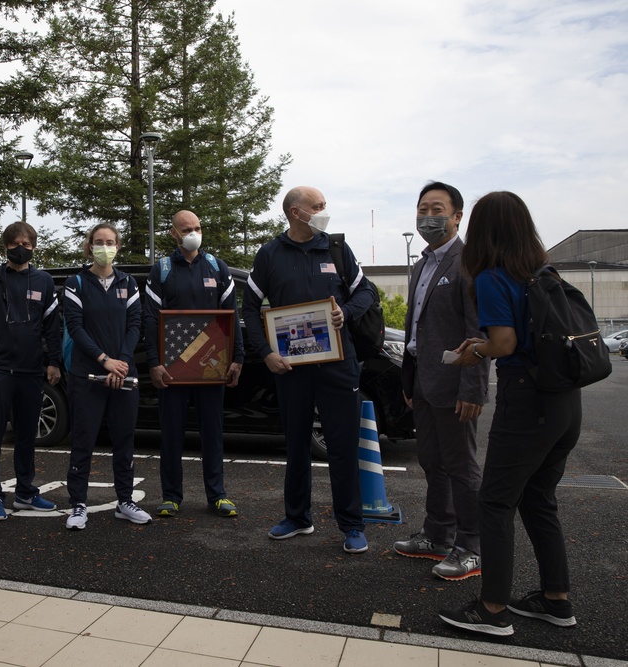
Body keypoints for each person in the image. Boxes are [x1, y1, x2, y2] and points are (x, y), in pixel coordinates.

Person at [439, 191, 582, 636]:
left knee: (495, 503)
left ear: (482, 230)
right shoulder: (544, 272)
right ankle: (555, 600)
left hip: (527, 401)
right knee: (540, 498)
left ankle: (492, 609)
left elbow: (502, 345)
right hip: (566, 401)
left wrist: (470, 352)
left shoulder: (492, 277)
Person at [241, 186, 375, 554]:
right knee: (297, 444)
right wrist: (266, 352)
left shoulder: (336, 248)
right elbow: (250, 308)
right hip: (291, 368)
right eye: (317, 207)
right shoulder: (269, 254)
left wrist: (345, 312)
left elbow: (367, 293)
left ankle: (352, 524)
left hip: (338, 364)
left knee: (342, 446)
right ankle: (298, 517)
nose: (324, 211)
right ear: (296, 213)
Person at [394, 182, 489, 580]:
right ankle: (437, 535)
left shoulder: (470, 262)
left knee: (462, 467)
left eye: (437, 209)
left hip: (455, 385)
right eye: (422, 209)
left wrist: (473, 388)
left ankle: (472, 546)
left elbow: (480, 333)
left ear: (456, 217)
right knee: (432, 461)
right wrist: (408, 379)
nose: (427, 217)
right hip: (423, 383)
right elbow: (415, 329)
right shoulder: (421, 264)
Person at [143, 210, 243, 518]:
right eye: (187, 229)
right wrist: (154, 362)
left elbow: (232, 316)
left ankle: (218, 495)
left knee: (212, 433)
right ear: (173, 233)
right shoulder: (160, 271)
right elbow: (150, 320)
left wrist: (237, 357)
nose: (193, 233)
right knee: (171, 434)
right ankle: (171, 496)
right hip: (174, 368)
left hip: (211, 368)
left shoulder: (218, 267)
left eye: (197, 227)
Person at [63, 223, 151, 530]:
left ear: (118, 246)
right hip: (86, 375)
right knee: (83, 441)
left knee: (124, 439)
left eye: (110, 242)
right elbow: (76, 327)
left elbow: (135, 325)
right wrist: (104, 361)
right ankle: (77, 504)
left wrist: (122, 362)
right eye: (99, 242)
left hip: (123, 374)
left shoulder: (128, 283)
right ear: (89, 246)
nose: (105, 247)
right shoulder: (76, 283)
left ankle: (125, 501)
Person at [0, 221, 61, 520]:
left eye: (27, 244)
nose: (21, 249)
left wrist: (53, 361)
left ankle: (25, 492)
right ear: (5, 246)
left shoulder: (44, 282)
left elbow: (53, 326)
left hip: (31, 370)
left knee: (27, 434)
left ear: (34, 247)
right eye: (15, 243)